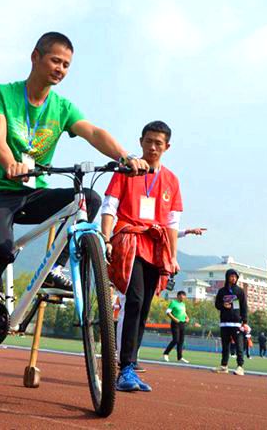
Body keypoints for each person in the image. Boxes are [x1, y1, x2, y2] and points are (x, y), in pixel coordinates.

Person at [0, 31, 148, 360]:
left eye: (67, 65)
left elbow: (93, 132)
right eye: (55, 61)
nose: (60, 69)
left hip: (32, 194)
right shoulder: (2, 94)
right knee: (0, 248)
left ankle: (56, 269)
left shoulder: (62, 107)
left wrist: (124, 156)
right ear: (36, 57)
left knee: (88, 198)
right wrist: (10, 163)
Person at [102, 120, 182, 392]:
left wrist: (172, 257)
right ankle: (123, 367)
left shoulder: (171, 180)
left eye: (159, 143)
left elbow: (172, 223)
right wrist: (106, 238)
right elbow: (109, 206)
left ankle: (130, 365)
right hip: (129, 241)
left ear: (167, 147)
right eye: (148, 141)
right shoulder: (126, 170)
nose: (153, 147)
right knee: (134, 299)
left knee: (145, 305)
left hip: (156, 247)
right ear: (140, 142)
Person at [214, 268, 248, 376]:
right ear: (227, 277)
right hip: (224, 322)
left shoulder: (239, 291)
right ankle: (224, 366)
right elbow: (217, 305)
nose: (233, 278)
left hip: (236, 323)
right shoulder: (222, 291)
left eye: (235, 277)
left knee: (239, 345)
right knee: (225, 346)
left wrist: (245, 321)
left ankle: (240, 367)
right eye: (231, 276)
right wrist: (223, 305)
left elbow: (244, 306)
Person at [163, 290, 190, 363]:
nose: (183, 298)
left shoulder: (183, 304)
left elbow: (184, 312)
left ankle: (180, 357)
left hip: (182, 323)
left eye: (184, 297)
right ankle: (166, 353)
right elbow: (167, 312)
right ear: (178, 296)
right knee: (176, 340)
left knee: (181, 341)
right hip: (175, 323)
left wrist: (187, 317)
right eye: (182, 296)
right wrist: (175, 319)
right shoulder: (173, 302)